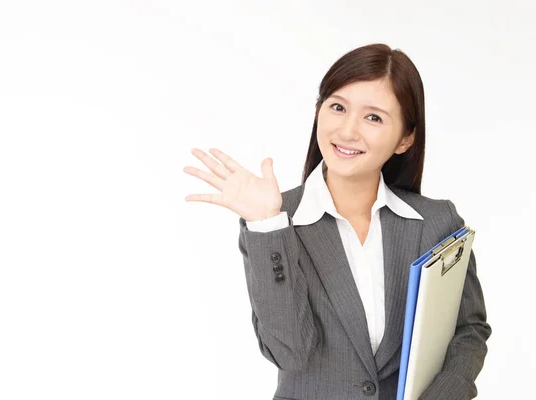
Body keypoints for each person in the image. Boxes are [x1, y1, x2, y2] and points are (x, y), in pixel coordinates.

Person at [183, 43, 491, 400]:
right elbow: (290, 353)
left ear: (405, 139)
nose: (347, 131)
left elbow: (469, 330)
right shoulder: (275, 221)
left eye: (373, 117)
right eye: (338, 107)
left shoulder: (437, 222)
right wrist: (267, 225)